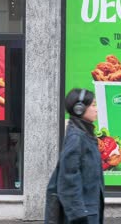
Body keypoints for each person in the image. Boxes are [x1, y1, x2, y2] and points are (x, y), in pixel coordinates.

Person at [45, 88, 104, 224]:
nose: (96, 109)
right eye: (93, 105)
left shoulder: (86, 135)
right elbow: (68, 179)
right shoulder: (77, 138)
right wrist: (78, 215)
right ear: (79, 109)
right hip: (82, 216)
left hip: (89, 211)